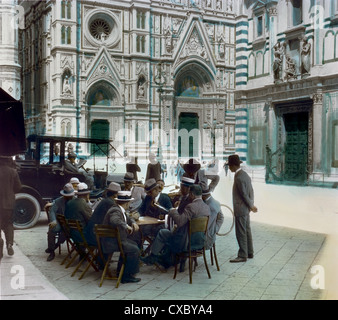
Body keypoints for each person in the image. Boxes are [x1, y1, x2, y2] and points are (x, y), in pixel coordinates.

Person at [141, 184, 210, 269]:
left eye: (189, 194)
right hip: (200, 241)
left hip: (186, 242)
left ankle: (154, 257)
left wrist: (173, 211)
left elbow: (180, 222)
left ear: (192, 194)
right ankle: (162, 259)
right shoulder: (206, 207)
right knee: (168, 231)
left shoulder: (191, 206)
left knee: (162, 232)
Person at [102, 191, 141, 283]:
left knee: (134, 243)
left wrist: (133, 222)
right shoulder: (115, 210)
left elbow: (128, 217)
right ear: (127, 203)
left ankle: (122, 271)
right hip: (111, 243)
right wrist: (126, 225)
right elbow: (114, 220)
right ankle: (126, 276)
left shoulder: (119, 209)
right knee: (134, 248)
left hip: (115, 240)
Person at [227, 154, 257, 263]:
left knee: (241, 232)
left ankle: (242, 255)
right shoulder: (245, 175)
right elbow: (251, 192)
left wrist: (251, 206)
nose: (229, 168)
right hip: (245, 209)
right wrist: (250, 205)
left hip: (241, 209)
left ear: (233, 166)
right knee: (247, 230)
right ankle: (250, 252)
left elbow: (244, 194)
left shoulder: (239, 177)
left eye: (229, 166)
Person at [84, 182, 121, 247]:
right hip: (96, 236)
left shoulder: (105, 200)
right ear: (115, 195)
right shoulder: (110, 203)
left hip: (91, 233)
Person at [46, 183, 76, 261]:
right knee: (52, 229)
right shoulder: (58, 201)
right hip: (60, 222)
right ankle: (52, 251)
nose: (69, 197)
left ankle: (56, 245)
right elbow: (52, 211)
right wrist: (54, 221)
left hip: (70, 223)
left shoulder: (76, 200)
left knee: (66, 232)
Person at [0, 156, 22, 260]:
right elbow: (18, 187)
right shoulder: (13, 172)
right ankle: (9, 244)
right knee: (8, 223)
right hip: (8, 204)